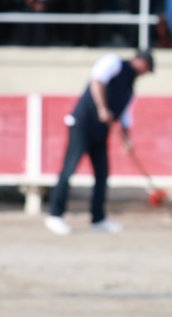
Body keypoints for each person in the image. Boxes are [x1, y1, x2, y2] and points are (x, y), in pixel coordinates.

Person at [44, 50, 154, 236]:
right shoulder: (114, 62)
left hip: (100, 131)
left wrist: (127, 141)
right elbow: (96, 81)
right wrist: (102, 108)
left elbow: (125, 117)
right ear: (141, 62)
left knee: (102, 174)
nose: (145, 73)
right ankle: (55, 215)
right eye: (147, 69)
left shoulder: (129, 89)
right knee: (69, 169)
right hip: (82, 124)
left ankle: (98, 219)